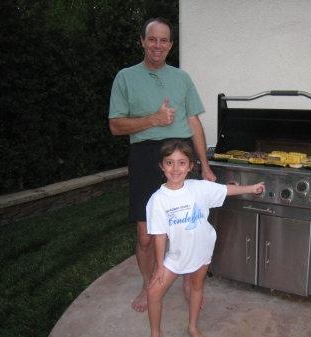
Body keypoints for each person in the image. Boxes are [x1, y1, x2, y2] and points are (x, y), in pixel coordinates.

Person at [108, 17, 216, 313]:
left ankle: (187, 280)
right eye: (152, 39)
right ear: (142, 41)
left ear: (170, 44)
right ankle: (148, 284)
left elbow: (194, 122)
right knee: (146, 235)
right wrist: (152, 120)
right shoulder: (125, 77)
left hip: (182, 153)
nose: (158, 45)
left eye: (164, 40)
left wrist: (204, 166)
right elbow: (116, 126)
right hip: (145, 156)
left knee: (188, 227)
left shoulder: (182, 78)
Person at [146, 140, 265, 337]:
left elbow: (226, 190)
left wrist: (251, 188)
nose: (176, 168)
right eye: (169, 162)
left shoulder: (199, 187)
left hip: (202, 249)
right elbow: (159, 235)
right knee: (153, 293)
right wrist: (159, 266)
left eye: (182, 162)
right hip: (176, 256)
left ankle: (193, 327)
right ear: (161, 165)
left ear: (191, 166)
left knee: (197, 286)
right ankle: (155, 333)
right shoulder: (158, 200)